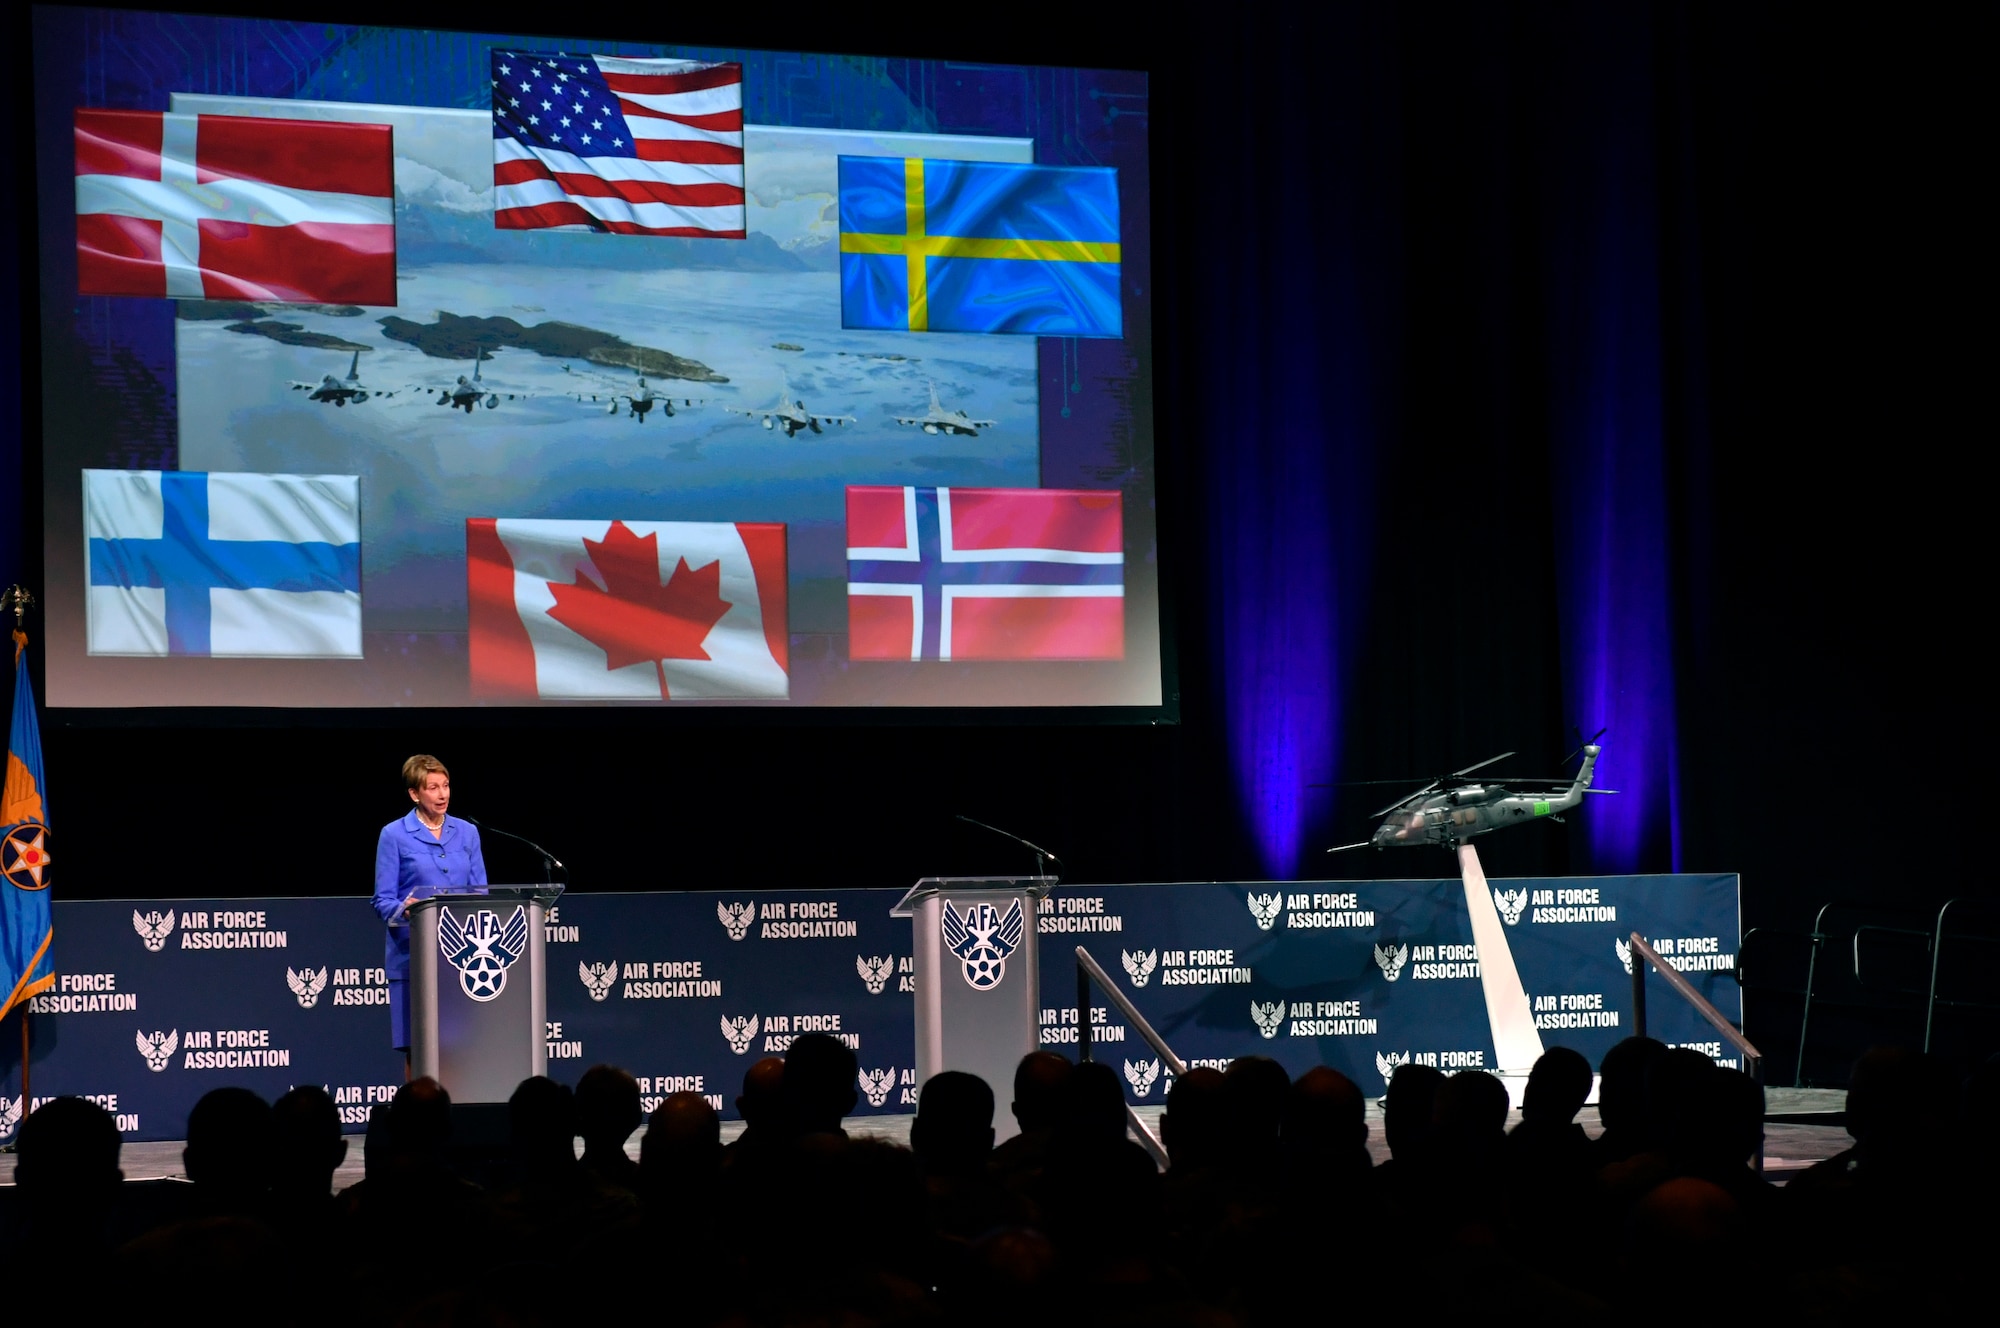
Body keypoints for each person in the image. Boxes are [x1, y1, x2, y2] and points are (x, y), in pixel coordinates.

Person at [372, 754, 486, 1056]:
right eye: (433, 787)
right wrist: (404, 909)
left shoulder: (467, 832)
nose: (442, 794)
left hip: (462, 959)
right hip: (413, 955)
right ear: (414, 793)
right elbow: (383, 900)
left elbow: (480, 892)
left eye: (446, 785)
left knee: (460, 1051)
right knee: (419, 1049)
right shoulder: (394, 835)